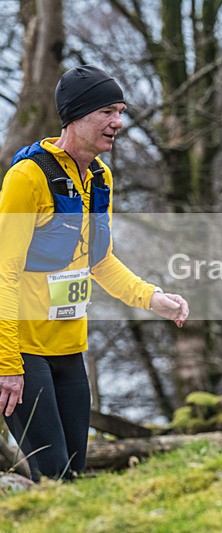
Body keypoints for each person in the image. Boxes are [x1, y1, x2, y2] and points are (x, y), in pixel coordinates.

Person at [0, 65, 189, 481]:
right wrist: (7, 362)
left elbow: (98, 260)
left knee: (74, 473)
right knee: (53, 476)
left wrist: (153, 298)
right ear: (75, 116)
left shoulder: (101, 177)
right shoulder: (27, 178)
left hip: (69, 349)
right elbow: (4, 274)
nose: (118, 122)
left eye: (120, 111)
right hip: (23, 351)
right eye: (107, 111)